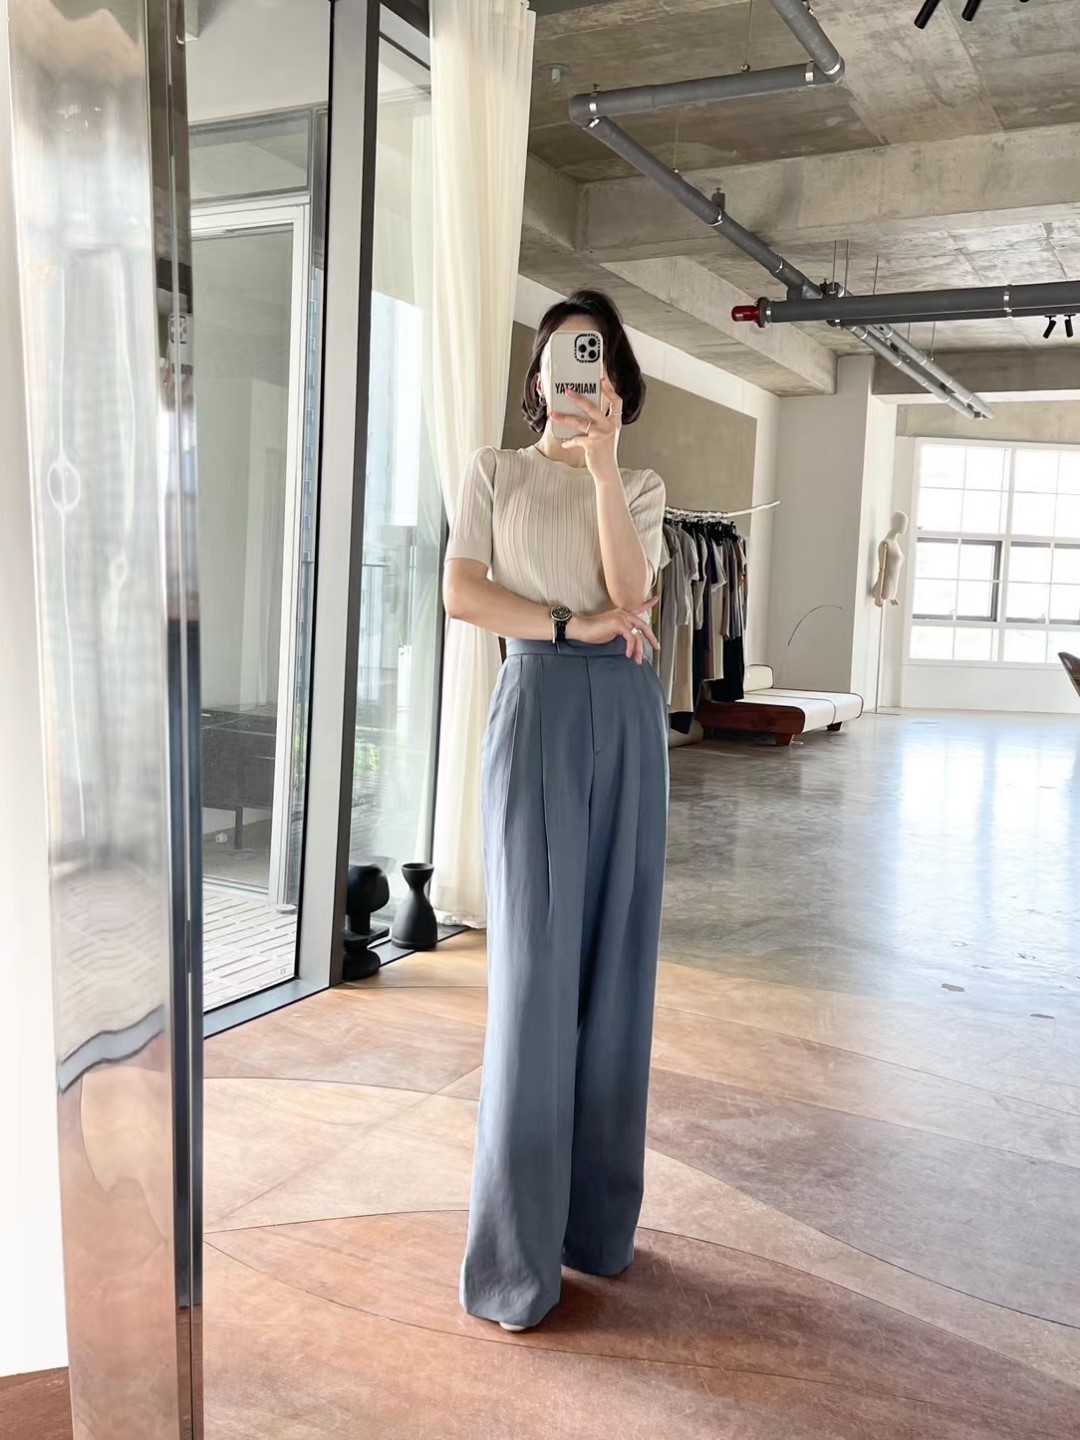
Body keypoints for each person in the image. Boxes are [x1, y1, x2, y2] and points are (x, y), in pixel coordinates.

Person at [443, 290, 669, 1331]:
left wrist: (606, 468)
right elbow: (463, 593)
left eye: (597, 357)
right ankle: (514, 1261)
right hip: (537, 698)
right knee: (535, 981)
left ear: (614, 378)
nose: (579, 372)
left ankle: (596, 1228)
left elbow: (636, 592)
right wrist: (570, 625)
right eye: (563, 355)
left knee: (617, 973)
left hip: (626, 716)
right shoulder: (495, 472)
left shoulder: (642, 485)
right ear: (538, 375)